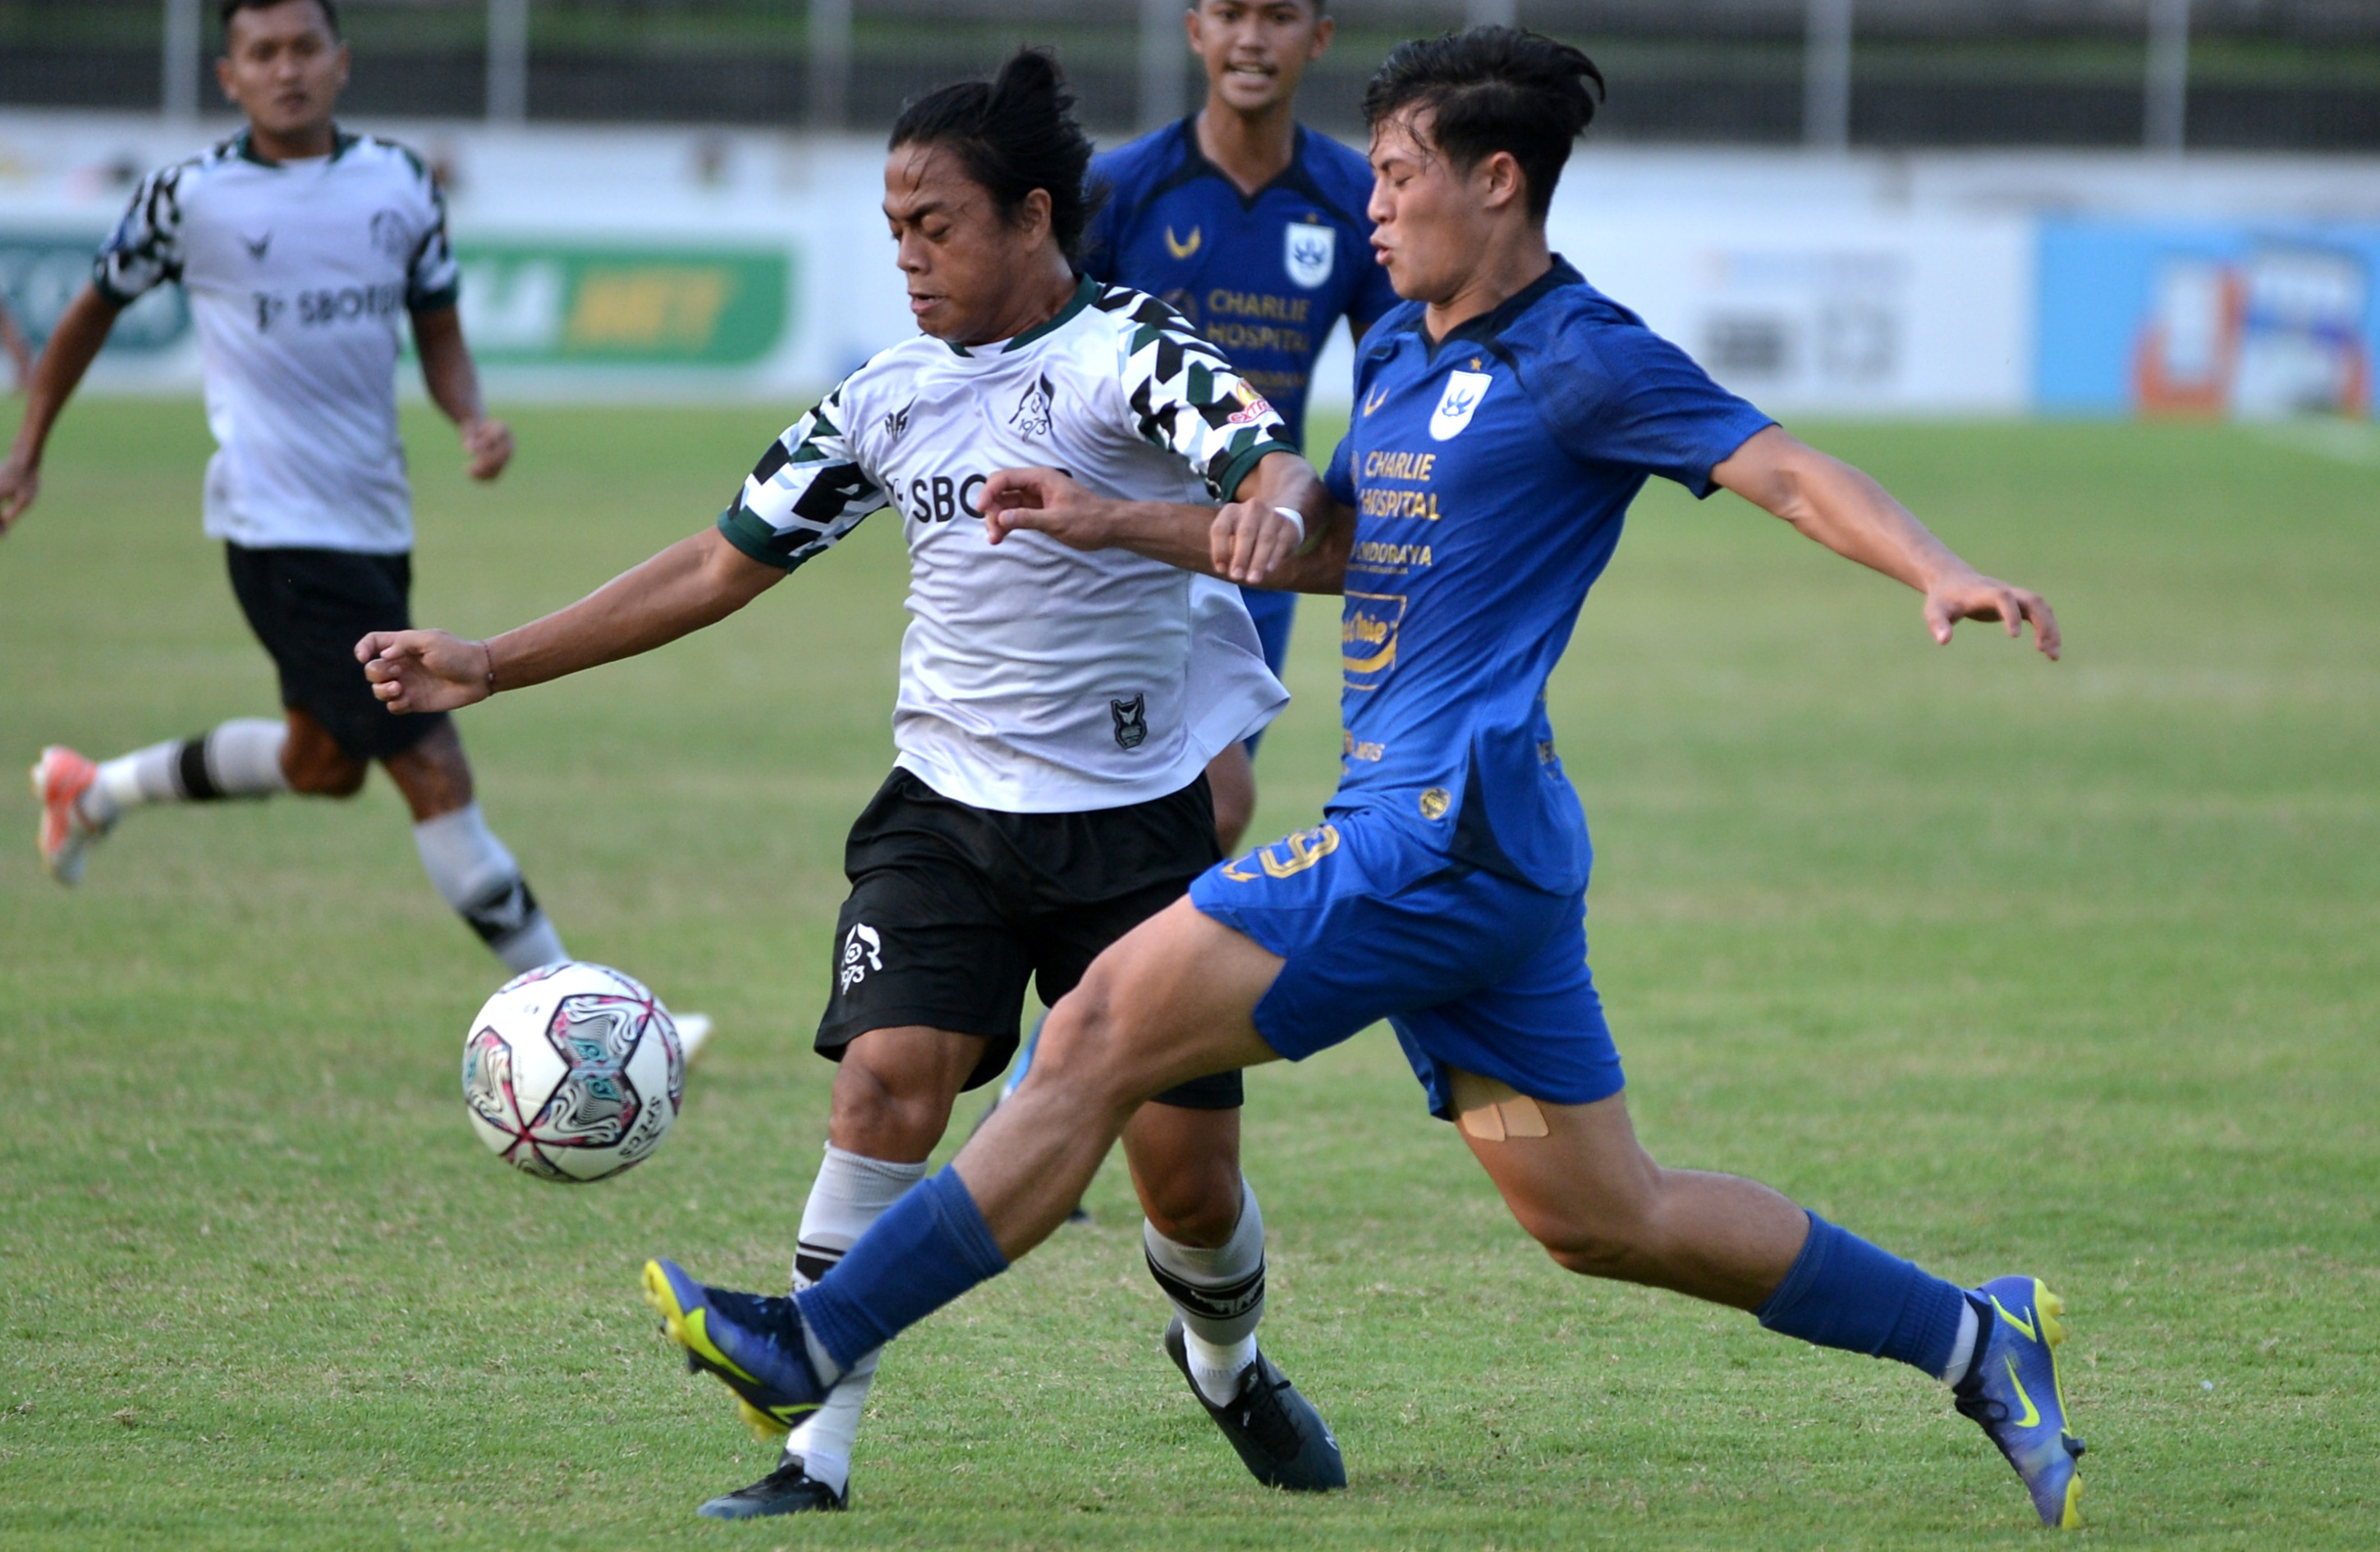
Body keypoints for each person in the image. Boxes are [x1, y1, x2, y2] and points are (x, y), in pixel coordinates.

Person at [598, 29, 2090, 1532]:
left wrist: (1934, 565)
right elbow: (1328, 552)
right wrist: (1109, 521)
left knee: (1100, 1026)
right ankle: (1975, 1337)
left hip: (1429, 837)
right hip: (1482, 865)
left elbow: (1777, 465)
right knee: (1599, 1217)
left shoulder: (1578, 356)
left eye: (1393, 175)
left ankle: (813, 1339)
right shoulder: (1396, 350)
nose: (1367, 207)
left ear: (1494, 181)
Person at [358, 51, 1346, 1519]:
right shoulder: (882, 400)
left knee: (1185, 1185)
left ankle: (1227, 1359)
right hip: (940, 812)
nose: (905, 257)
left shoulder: (1131, 354)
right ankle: (810, 1446)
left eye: (932, 225)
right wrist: (492, 664)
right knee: (887, 1085)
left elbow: (1266, 471)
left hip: (1131, 833)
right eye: (891, 227)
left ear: (1028, 217)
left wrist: (1255, 519)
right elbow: (715, 563)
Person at [2, 0, 570, 979]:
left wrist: (468, 416)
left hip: (374, 520)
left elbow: (438, 329)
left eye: (305, 47)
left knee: (323, 763)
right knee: (431, 764)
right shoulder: (189, 197)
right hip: (277, 528)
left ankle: (94, 789)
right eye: (261, 53)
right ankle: (576, 1007)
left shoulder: (398, 182)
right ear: (229, 77)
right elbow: (89, 313)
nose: (286, 69)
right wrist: (30, 444)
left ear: (340, 62)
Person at [1081, 0, 1396, 852]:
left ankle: (1121, 984)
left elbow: (1390, 380)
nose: (1251, 37)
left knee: (1193, 817)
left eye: (1280, 16)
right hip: (1126, 540)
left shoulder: (1358, 203)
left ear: (1319, 38)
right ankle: (1125, 984)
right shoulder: (1118, 191)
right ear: (1194, 30)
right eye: (1229, 13)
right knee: (1201, 802)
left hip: (1263, 541)